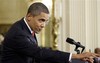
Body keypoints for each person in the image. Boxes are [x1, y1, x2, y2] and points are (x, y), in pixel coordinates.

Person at [1, 2, 99, 63]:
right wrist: (75, 56)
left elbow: (37, 54)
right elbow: (38, 53)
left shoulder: (27, 28)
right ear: (29, 16)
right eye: (41, 20)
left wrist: (72, 60)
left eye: (46, 21)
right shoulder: (18, 33)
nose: (43, 25)